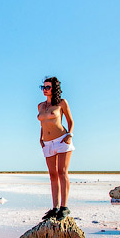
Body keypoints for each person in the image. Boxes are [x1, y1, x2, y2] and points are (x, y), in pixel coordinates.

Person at [38, 76, 74, 220]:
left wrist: (69, 135)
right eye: (43, 87)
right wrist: (41, 137)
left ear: (54, 88)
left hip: (61, 140)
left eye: (48, 87)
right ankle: (55, 208)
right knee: (52, 175)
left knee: (62, 172)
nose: (45, 90)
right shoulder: (40, 106)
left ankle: (64, 208)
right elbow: (43, 124)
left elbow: (70, 121)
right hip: (47, 143)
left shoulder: (61, 103)